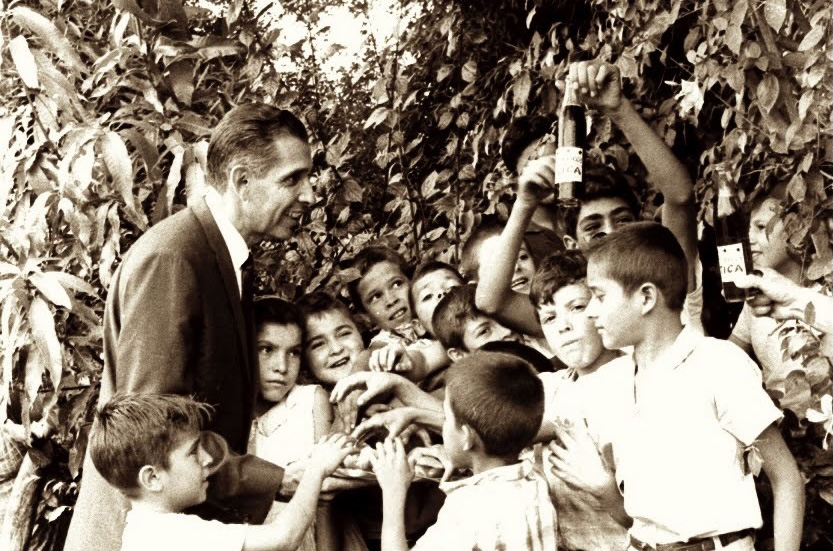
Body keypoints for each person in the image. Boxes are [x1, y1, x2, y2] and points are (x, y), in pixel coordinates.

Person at [65, 103, 314, 551]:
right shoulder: (173, 260)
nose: (310, 194)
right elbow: (150, 437)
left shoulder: (223, 256)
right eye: (292, 179)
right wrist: (278, 480)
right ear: (241, 181)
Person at [584, 222, 804, 551]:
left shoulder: (718, 365)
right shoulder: (608, 383)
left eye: (599, 296)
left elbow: (786, 478)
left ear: (646, 297)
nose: (590, 311)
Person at [476, 59, 703, 337]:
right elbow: (491, 301)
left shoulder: (667, 278)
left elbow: (680, 197)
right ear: (573, 245)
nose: (611, 234)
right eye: (594, 230)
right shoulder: (581, 314)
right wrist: (524, 204)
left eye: (622, 221)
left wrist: (618, 109)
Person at [88, 393, 352, 551]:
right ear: (152, 478)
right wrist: (317, 468)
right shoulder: (170, 534)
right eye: (193, 452)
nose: (206, 459)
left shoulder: (143, 530)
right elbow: (284, 537)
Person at [369, 351, 557, 551]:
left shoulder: (467, 509)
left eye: (447, 417)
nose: (443, 424)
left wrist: (393, 492)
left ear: (467, 437)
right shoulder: (535, 479)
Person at [527, 250, 629, 550]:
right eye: (549, 317)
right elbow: (484, 423)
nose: (563, 325)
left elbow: (507, 426)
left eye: (577, 307)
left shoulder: (633, 375)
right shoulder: (548, 387)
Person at [247, 297, 335, 551]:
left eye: (293, 352)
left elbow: (327, 501)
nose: (282, 367)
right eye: (267, 349)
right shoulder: (231, 413)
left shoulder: (310, 401)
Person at [730, 185, 833, 389]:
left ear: (797, 229)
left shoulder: (826, 293)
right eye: (748, 229)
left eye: (760, 227)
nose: (748, 239)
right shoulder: (757, 297)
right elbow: (729, 357)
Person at [500, 114, 565, 264]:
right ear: (518, 178)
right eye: (536, 167)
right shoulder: (515, 238)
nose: (548, 173)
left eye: (553, 162)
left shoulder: (588, 207)